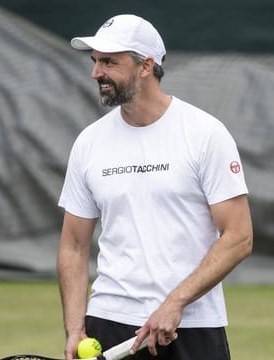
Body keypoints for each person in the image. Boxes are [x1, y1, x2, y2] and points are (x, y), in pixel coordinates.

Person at [57, 14, 253, 360]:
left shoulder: (205, 134)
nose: (96, 73)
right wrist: (75, 329)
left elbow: (238, 236)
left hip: (191, 327)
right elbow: (73, 245)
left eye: (109, 62)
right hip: (108, 323)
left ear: (146, 66)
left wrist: (175, 302)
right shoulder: (88, 142)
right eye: (94, 61)